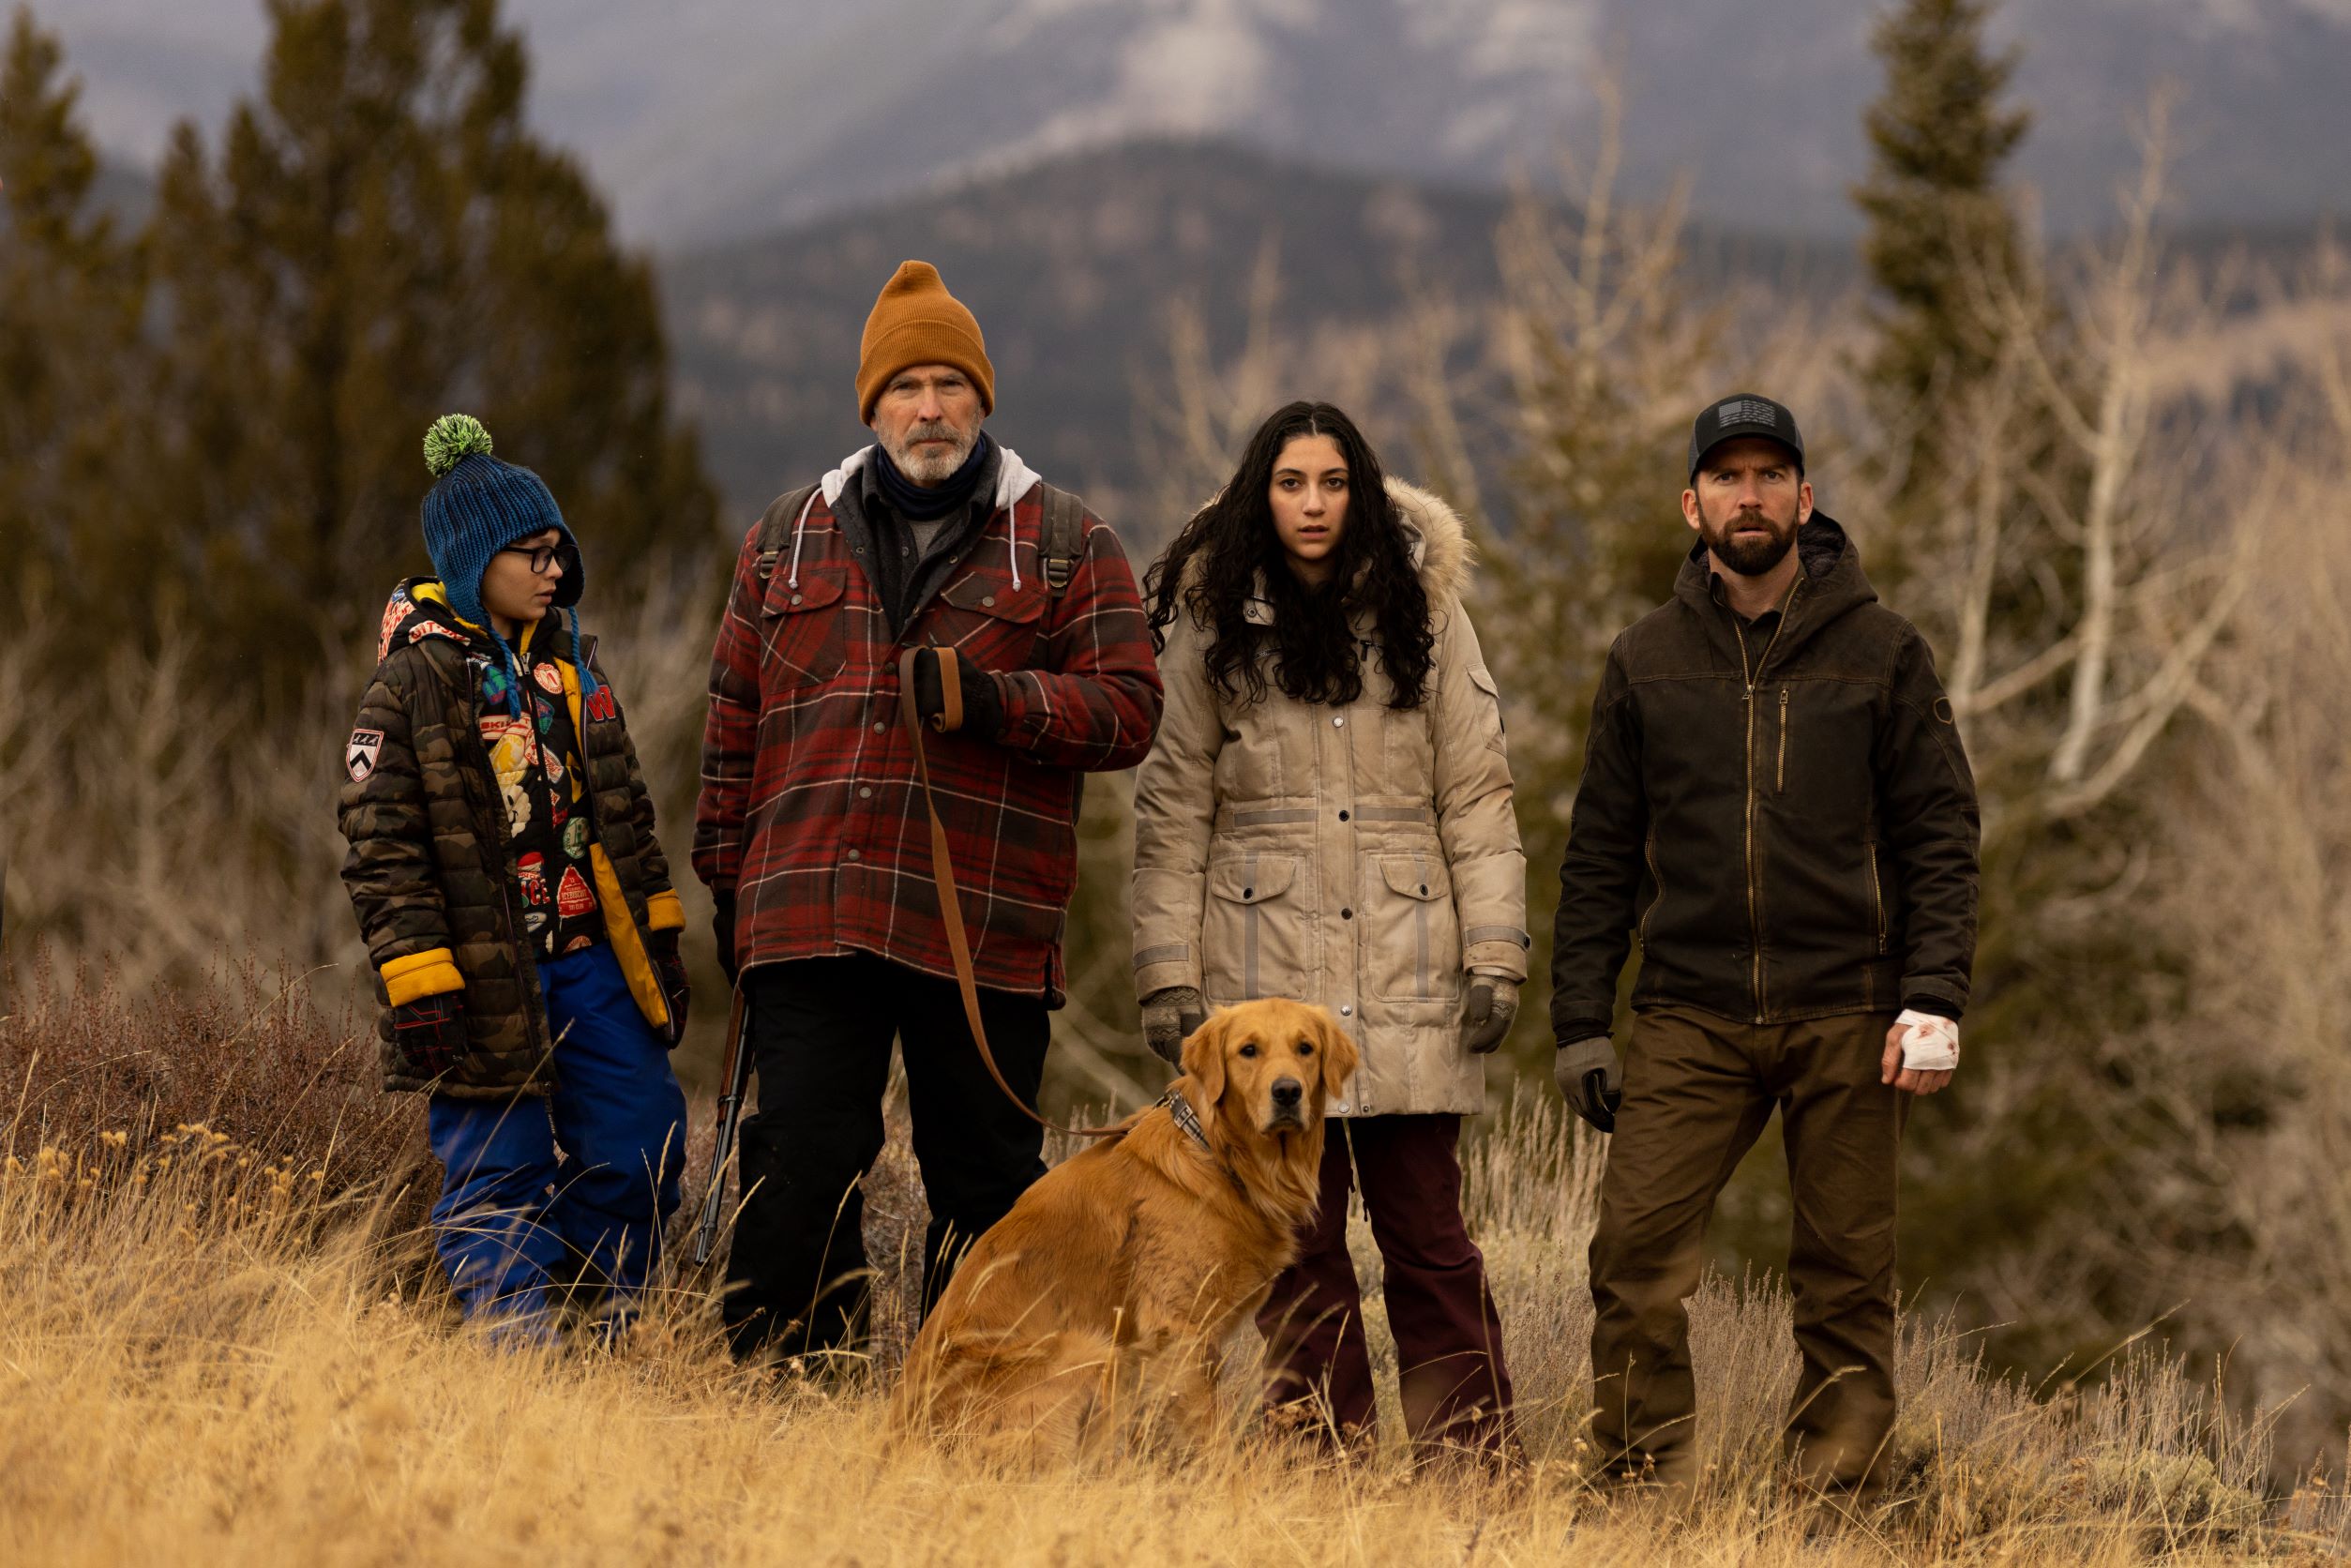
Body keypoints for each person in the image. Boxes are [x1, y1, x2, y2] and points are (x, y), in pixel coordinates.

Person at [694, 261, 1163, 1364]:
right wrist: (729, 890)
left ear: (982, 400)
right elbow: (730, 727)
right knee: (801, 1158)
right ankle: (784, 1391)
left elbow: (1131, 709)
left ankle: (979, 1400)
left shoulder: (1063, 542)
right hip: (810, 908)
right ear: (872, 404)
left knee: (984, 1179)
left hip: (982, 927)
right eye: (906, 385)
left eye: (951, 384)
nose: (930, 408)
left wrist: (997, 701)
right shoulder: (782, 537)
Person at [1551, 393, 1981, 1500]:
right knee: (1632, 1258)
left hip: (1848, 1003)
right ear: (1690, 505)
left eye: (1769, 474)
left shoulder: (1883, 652)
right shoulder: (1643, 658)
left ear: (1804, 496)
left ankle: (1837, 1493)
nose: (1749, 495)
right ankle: (1643, 1482)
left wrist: (1932, 995)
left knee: (1845, 1274)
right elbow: (1598, 851)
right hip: (1689, 1009)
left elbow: (1939, 832)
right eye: (1726, 477)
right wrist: (1580, 1023)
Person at [1131, 401, 1528, 1458]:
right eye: (1291, 483)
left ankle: (1472, 1470)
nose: (1312, 504)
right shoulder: (1212, 626)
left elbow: (1479, 795)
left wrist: (1494, 952)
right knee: (1295, 1253)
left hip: (1407, 972)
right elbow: (1171, 808)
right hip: (1261, 988)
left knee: (1429, 1243)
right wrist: (1166, 971)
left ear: (1362, 492)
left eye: (1333, 483)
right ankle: (1322, 1470)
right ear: (1261, 494)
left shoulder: (1428, 615)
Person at [339, 414, 693, 1342]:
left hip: (592, 961)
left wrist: (657, 936)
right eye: (529, 553)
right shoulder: (409, 686)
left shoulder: (575, 669)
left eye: (557, 553)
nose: (553, 571)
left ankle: (595, 1326)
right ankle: (519, 1367)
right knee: (500, 1168)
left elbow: (625, 814)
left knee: (642, 1142)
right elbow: (383, 858)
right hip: (476, 972)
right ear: (471, 559)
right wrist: (419, 985)